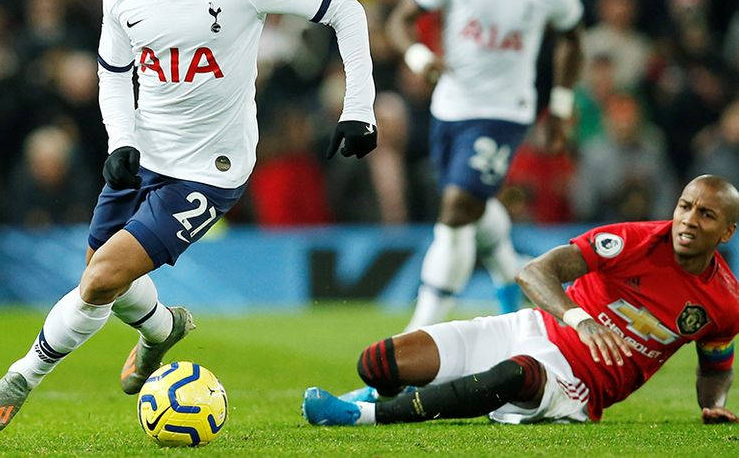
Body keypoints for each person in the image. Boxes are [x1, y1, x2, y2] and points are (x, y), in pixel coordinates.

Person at [0, 0, 378, 435]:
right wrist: (122, 141)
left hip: (211, 168)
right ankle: (161, 329)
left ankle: (19, 378)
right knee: (103, 275)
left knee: (100, 279)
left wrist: (359, 107)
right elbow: (113, 70)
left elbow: (347, 10)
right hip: (144, 156)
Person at [302, 175, 739, 426]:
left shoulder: (724, 302)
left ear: (726, 233)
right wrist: (580, 319)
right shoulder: (632, 240)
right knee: (378, 362)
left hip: (579, 385)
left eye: (706, 214)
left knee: (515, 375)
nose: (688, 220)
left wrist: (713, 405)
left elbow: (716, 365)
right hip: (532, 328)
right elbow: (534, 272)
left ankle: (362, 418)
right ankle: (373, 393)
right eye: (685, 206)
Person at [385, 0, 584, 328]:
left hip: (506, 111)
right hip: (451, 106)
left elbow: (572, 40)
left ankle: (419, 330)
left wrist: (560, 106)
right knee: (474, 205)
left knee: (457, 208)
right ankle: (513, 271)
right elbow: (399, 19)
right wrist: (421, 59)